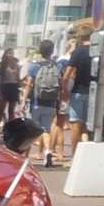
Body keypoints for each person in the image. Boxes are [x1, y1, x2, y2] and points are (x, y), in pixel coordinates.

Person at [23, 40, 58, 164]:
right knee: (45, 130)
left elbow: (28, 85)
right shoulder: (57, 66)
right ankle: (48, 150)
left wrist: (23, 101)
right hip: (50, 102)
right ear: (52, 51)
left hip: (36, 102)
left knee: (31, 130)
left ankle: (25, 158)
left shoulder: (35, 67)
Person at [61, 25, 94, 154]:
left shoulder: (78, 52)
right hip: (93, 92)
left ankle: (75, 155)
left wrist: (65, 90)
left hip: (78, 90)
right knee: (87, 124)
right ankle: (86, 152)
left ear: (81, 37)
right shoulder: (97, 52)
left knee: (76, 123)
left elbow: (67, 75)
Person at [0, 48, 21, 129]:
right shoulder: (2, 66)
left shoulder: (17, 65)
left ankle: (9, 130)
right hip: (5, 87)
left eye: (12, 53)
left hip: (14, 87)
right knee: (0, 111)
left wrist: (19, 92)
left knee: (11, 112)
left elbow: (18, 79)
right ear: (5, 54)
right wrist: (0, 93)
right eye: (9, 53)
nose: (11, 55)